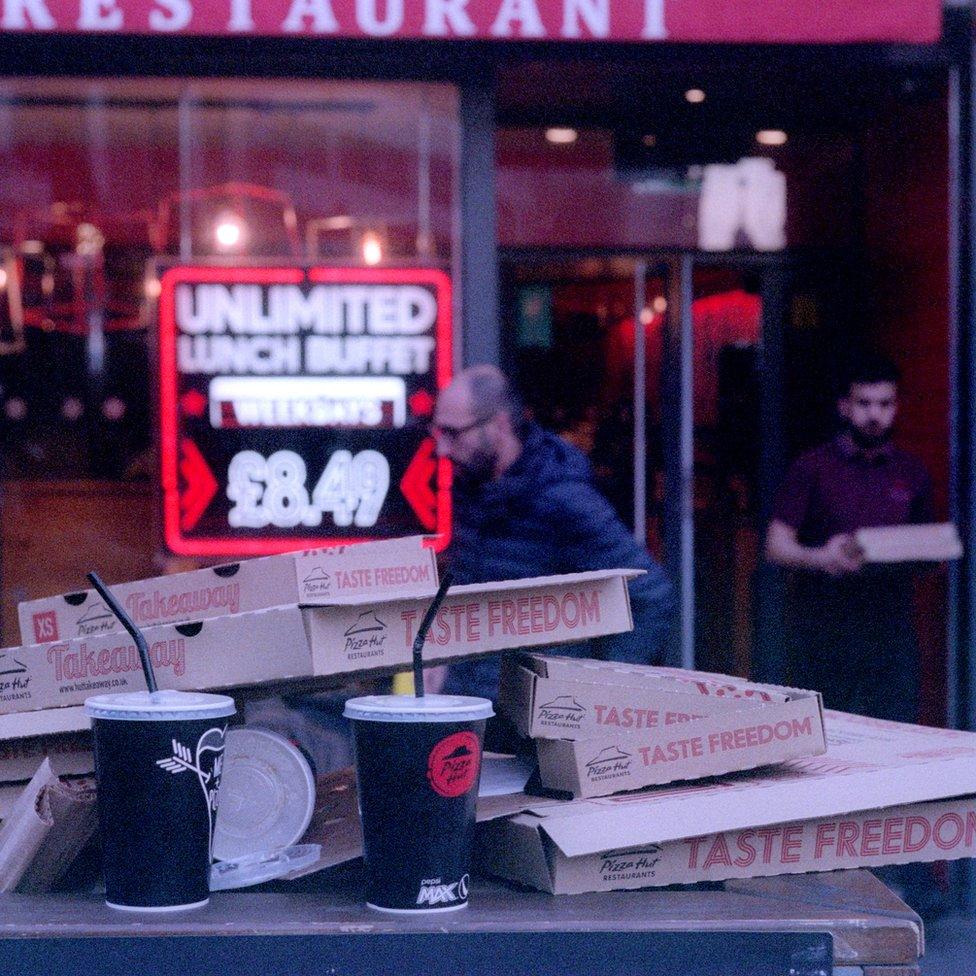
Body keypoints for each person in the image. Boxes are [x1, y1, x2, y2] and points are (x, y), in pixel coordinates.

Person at [432, 364, 675, 710]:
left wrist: (599, 694)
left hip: (528, 716)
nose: (442, 448)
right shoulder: (474, 486)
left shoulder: (562, 498)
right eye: (438, 432)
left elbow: (653, 595)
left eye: (453, 433)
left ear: (498, 425)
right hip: (467, 703)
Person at [765, 352, 934, 722]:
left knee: (895, 732)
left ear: (896, 407)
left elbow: (928, 546)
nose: (874, 415)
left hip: (891, 628)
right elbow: (775, 546)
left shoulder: (912, 471)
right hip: (825, 625)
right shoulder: (813, 467)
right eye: (864, 403)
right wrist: (821, 558)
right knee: (830, 734)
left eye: (885, 404)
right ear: (845, 407)